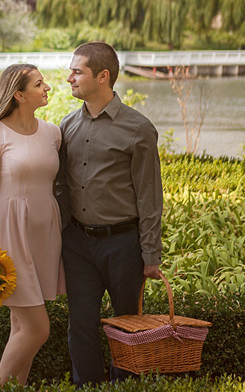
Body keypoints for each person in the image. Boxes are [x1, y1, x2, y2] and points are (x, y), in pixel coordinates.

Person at [55, 41, 164, 386]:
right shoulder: (66, 125)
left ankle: (123, 385)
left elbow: (150, 196)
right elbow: (60, 188)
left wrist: (151, 254)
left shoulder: (138, 129)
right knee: (81, 326)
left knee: (127, 326)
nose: (69, 77)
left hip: (123, 246)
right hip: (77, 244)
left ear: (103, 76)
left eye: (77, 71)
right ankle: (86, 386)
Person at [0, 63, 64, 386]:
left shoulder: (54, 134)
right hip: (9, 239)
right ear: (19, 95)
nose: (47, 88)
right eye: (40, 84)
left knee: (21, 328)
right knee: (38, 328)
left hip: (43, 236)